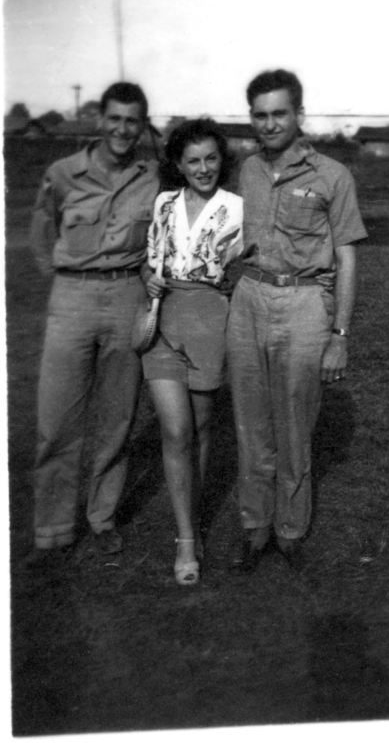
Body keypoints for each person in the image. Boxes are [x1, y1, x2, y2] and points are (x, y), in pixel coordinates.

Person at [227, 69, 367, 573]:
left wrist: (340, 336)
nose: (269, 124)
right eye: (260, 115)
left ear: (299, 115)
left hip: (306, 304)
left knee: (294, 426)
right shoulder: (247, 171)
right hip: (248, 298)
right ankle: (254, 526)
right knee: (250, 425)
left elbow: (348, 258)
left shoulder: (332, 175)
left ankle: (290, 530)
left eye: (279, 113)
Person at [27, 82, 159, 565]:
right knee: (56, 419)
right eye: (115, 118)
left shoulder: (151, 178)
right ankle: (53, 530)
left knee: (117, 418)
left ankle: (101, 519)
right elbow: (42, 233)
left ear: (142, 126)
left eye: (133, 121)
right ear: (99, 119)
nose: (123, 129)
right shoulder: (63, 173)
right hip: (72, 299)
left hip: (127, 295)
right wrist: (67, 276)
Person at [142, 118, 243, 585]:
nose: (203, 168)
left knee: (201, 430)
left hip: (209, 321)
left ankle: (195, 519)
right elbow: (150, 259)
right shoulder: (164, 203)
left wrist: (233, 281)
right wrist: (148, 277)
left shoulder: (239, 209)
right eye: (193, 161)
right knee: (177, 431)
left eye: (210, 159)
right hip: (164, 320)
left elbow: (249, 265)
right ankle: (186, 539)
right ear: (178, 165)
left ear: (221, 161)